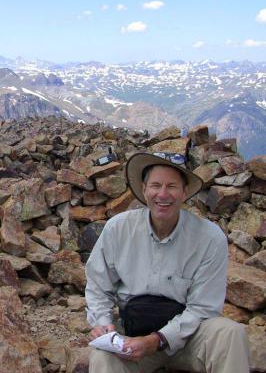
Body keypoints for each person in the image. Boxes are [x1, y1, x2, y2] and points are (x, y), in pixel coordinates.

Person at [85, 152, 250, 373]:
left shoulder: (210, 238)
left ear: (184, 192)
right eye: (155, 185)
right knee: (102, 356)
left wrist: (156, 340)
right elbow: (97, 284)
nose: (162, 194)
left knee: (231, 333)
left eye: (171, 186)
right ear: (144, 190)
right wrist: (104, 325)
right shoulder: (118, 228)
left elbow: (203, 307)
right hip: (132, 336)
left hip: (190, 338)